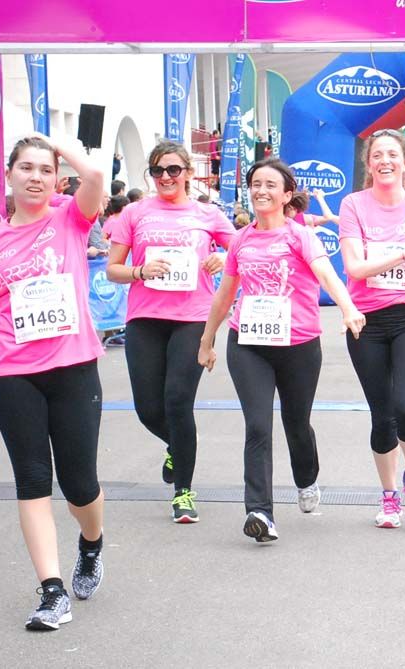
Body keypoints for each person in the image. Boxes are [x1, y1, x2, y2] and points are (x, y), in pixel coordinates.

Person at [0, 136, 107, 630]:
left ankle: (91, 544)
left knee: (79, 484)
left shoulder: (70, 216)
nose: (34, 177)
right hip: (12, 371)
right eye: (24, 168)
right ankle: (52, 591)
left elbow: (94, 179)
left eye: (44, 170)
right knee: (31, 479)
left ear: (56, 179)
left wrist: (57, 145)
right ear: (8, 176)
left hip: (73, 368)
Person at [198, 159, 364, 542]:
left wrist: (348, 307)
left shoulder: (299, 235)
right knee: (258, 425)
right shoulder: (241, 239)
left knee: (296, 423)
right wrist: (206, 341)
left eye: (270, 184)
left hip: (298, 345)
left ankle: (306, 478)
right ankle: (259, 511)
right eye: (255, 184)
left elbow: (326, 273)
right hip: (250, 341)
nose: (261, 191)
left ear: (287, 194)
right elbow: (225, 295)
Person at [106, 140, 235, 522]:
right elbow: (113, 268)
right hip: (145, 317)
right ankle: (176, 446)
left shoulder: (207, 214)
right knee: (149, 409)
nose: (165, 177)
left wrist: (223, 255)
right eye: (158, 171)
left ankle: (183, 492)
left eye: (173, 170)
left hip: (193, 316)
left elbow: (244, 247)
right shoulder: (134, 212)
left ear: (188, 174)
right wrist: (139, 271)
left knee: (178, 400)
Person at [338, 129, 405, 528]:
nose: (385, 161)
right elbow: (354, 269)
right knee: (381, 415)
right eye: (377, 155)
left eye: (392, 155)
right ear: (369, 164)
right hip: (366, 319)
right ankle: (388, 495)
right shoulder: (354, 204)